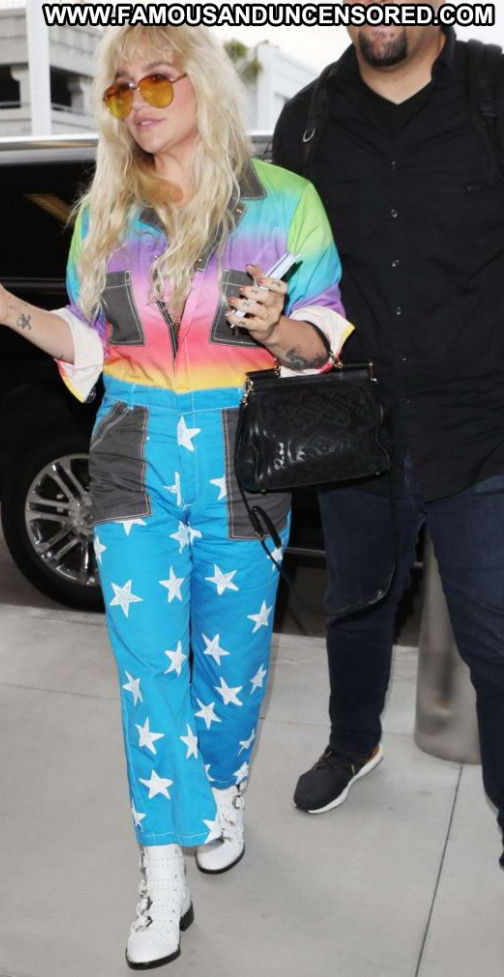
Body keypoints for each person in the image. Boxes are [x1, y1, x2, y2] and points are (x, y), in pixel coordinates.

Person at [0, 25, 351, 968]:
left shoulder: (285, 202)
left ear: (202, 83)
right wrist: (9, 311)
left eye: (156, 80)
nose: (138, 102)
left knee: (234, 661)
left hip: (243, 449)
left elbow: (323, 340)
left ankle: (223, 788)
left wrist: (279, 327)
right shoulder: (106, 213)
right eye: (121, 90)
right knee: (147, 667)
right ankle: (163, 869)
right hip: (131, 445)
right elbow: (89, 341)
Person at [273, 0, 504, 869]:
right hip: (355, 419)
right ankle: (353, 741)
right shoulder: (307, 121)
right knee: (355, 603)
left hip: (484, 425)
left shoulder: (492, 90)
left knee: (497, 639)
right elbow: (281, 264)